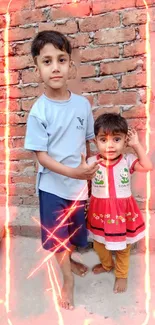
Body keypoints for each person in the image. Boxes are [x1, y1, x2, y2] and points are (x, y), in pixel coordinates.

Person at [24, 30, 101, 310]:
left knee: (76, 233)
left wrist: (90, 174)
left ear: (71, 65)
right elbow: (42, 157)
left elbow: (88, 144)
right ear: (37, 69)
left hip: (79, 187)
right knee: (58, 238)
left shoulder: (82, 105)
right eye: (47, 61)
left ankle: (75, 260)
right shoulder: (39, 111)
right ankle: (67, 279)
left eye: (61, 59)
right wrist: (74, 174)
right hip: (53, 188)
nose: (55, 67)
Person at [87, 113, 153, 293]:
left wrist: (137, 145)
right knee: (99, 244)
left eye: (116, 139)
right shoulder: (91, 162)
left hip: (123, 213)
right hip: (99, 212)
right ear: (95, 142)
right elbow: (81, 179)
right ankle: (107, 265)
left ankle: (121, 274)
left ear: (125, 141)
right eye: (103, 139)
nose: (110, 145)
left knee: (124, 247)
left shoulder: (127, 160)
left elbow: (147, 166)